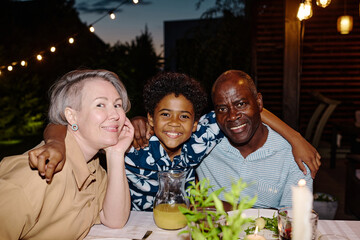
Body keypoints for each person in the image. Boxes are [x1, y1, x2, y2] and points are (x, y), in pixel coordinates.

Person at [29, 71, 320, 211]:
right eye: (164, 115)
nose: (173, 124)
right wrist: (54, 143)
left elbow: (244, 111)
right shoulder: (131, 138)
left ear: (196, 123)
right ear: (150, 119)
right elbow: (63, 122)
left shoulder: (204, 135)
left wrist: (295, 138)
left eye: (184, 118)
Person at [0, 69, 133, 239]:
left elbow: (115, 220)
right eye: (100, 104)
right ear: (71, 116)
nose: (115, 115)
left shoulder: (93, 168)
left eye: (117, 105)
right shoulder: (36, 177)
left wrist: (116, 154)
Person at [195, 70, 313, 208]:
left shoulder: (293, 156)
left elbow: (294, 220)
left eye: (241, 104)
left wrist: (222, 208)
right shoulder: (202, 141)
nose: (232, 116)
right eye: (222, 109)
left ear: (259, 102)